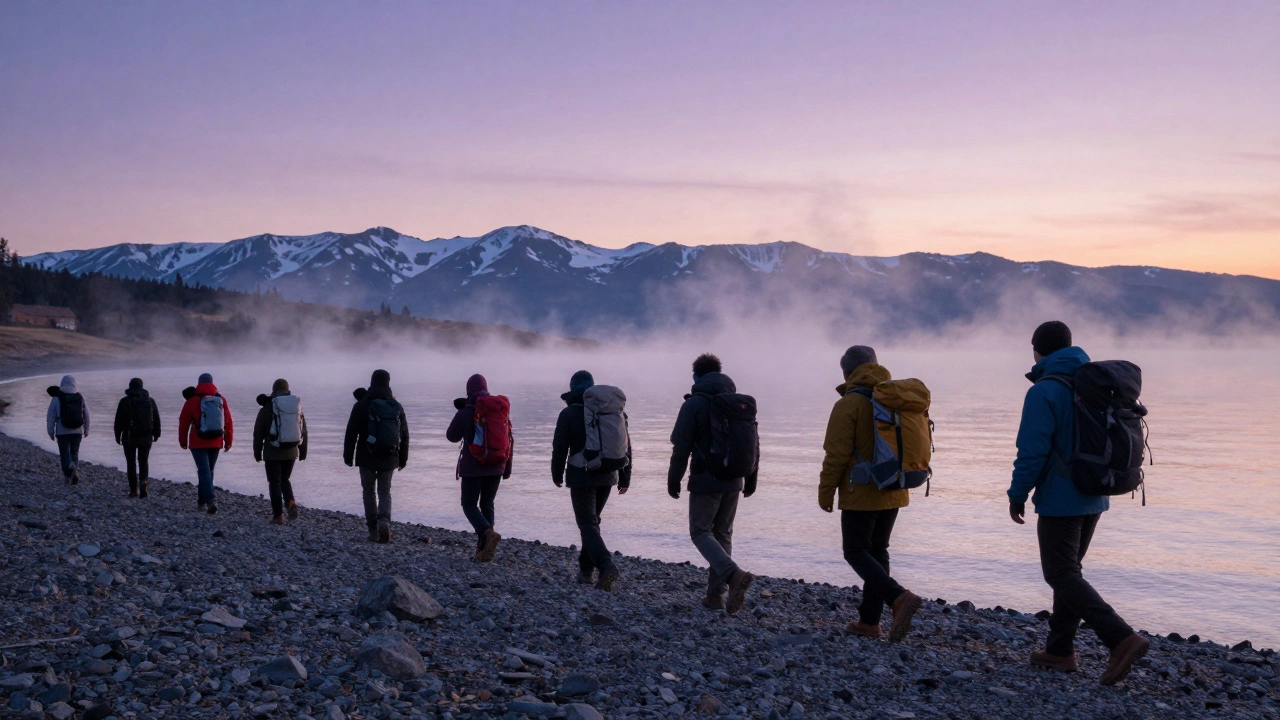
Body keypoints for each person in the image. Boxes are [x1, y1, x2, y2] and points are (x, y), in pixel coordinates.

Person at [1008, 321, 1149, 685]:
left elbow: (1032, 451)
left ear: (1037, 350)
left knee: (1060, 573)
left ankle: (1120, 638)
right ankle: (1059, 651)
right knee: (1070, 573)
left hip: (1061, 497)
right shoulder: (1092, 383)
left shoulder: (1045, 391)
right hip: (1096, 494)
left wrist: (1017, 493)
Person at [818, 345, 925, 642]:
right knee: (878, 552)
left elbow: (836, 454)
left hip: (861, 491)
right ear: (876, 365)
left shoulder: (849, 403)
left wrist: (826, 493)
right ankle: (869, 622)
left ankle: (898, 597)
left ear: (847, 372)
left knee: (855, 551)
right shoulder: (894, 398)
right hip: (895, 487)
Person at [668, 353, 757, 614]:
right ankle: (716, 596)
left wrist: (674, 478)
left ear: (697, 376)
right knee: (723, 533)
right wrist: (750, 479)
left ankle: (733, 575)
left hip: (706, 478)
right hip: (735, 479)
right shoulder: (738, 404)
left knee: (700, 532)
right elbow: (754, 444)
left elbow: (681, 446)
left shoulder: (694, 404)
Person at [551, 370, 631, 591]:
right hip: (609, 474)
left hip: (581, 475)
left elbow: (560, 448)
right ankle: (586, 572)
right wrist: (625, 476)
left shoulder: (568, 414)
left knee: (587, 524)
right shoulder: (613, 411)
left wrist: (556, 474)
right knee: (593, 522)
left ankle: (605, 565)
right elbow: (626, 445)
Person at [447, 374, 513, 562]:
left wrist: (462, 412)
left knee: (468, 504)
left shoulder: (468, 411)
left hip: (473, 467)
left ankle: (487, 534)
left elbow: (451, 436)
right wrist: (506, 468)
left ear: (469, 390)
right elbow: (509, 440)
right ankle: (484, 550)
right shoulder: (500, 410)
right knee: (487, 503)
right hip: (497, 467)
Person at [344, 369, 409, 543]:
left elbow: (351, 432)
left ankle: (373, 530)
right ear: (388, 382)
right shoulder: (395, 405)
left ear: (372, 382)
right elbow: (404, 434)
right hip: (389, 456)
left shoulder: (362, 404)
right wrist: (403, 459)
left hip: (366, 456)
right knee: (385, 490)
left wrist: (348, 455)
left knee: (369, 491)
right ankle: (384, 521)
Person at [253, 378, 309, 525]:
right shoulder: (296, 407)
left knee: (274, 482)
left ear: (273, 390)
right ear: (287, 390)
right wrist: (303, 451)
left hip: (272, 451)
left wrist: (257, 452)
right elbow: (303, 430)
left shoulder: (268, 407)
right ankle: (291, 503)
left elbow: (258, 432)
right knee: (285, 479)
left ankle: (278, 516)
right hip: (291, 451)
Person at [178, 372, 233, 514]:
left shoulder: (191, 401)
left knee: (203, 471)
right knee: (209, 471)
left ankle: (210, 500)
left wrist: (183, 441)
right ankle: (202, 502)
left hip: (197, 442)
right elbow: (227, 422)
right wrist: (228, 441)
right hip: (216, 441)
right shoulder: (220, 399)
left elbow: (183, 422)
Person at [113, 377, 161, 498]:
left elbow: (118, 420)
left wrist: (117, 435)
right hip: (146, 437)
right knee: (144, 462)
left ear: (130, 386)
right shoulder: (150, 401)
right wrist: (157, 434)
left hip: (129, 437)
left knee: (131, 463)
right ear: (142, 386)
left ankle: (134, 489)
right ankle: (144, 486)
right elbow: (156, 419)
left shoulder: (124, 401)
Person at [46, 374, 89, 485]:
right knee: (74, 453)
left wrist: (50, 431)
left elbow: (51, 416)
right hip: (77, 431)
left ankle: (67, 476)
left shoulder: (56, 398)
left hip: (62, 431)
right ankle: (73, 467)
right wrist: (86, 429)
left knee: (64, 454)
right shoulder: (79, 397)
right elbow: (86, 414)